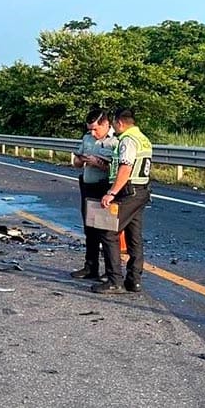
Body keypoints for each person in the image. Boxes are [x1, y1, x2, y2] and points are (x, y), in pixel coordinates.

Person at [95, 108, 152, 294]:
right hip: (142, 190)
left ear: (120, 123)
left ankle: (114, 281)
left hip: (128, 191)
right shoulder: (143, 138)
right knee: (133, 236)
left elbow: (126, 168)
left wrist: (111, 192)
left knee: (108, 231)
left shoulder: (127, 140)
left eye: (114, 124)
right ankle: (134, 280)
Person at [70, 109, 117, 280]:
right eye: (90, 129)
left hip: (105, 188)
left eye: (96, 129)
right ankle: (90, 266)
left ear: (106, 124)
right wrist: (81, 159)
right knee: (89, 229)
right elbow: (75, 163)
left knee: (106, 231)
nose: (92, 132)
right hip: (87, 186)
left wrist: (98, 163)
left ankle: (110, 271)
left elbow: (119, 168)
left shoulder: (116, 141)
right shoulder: (87, 138)